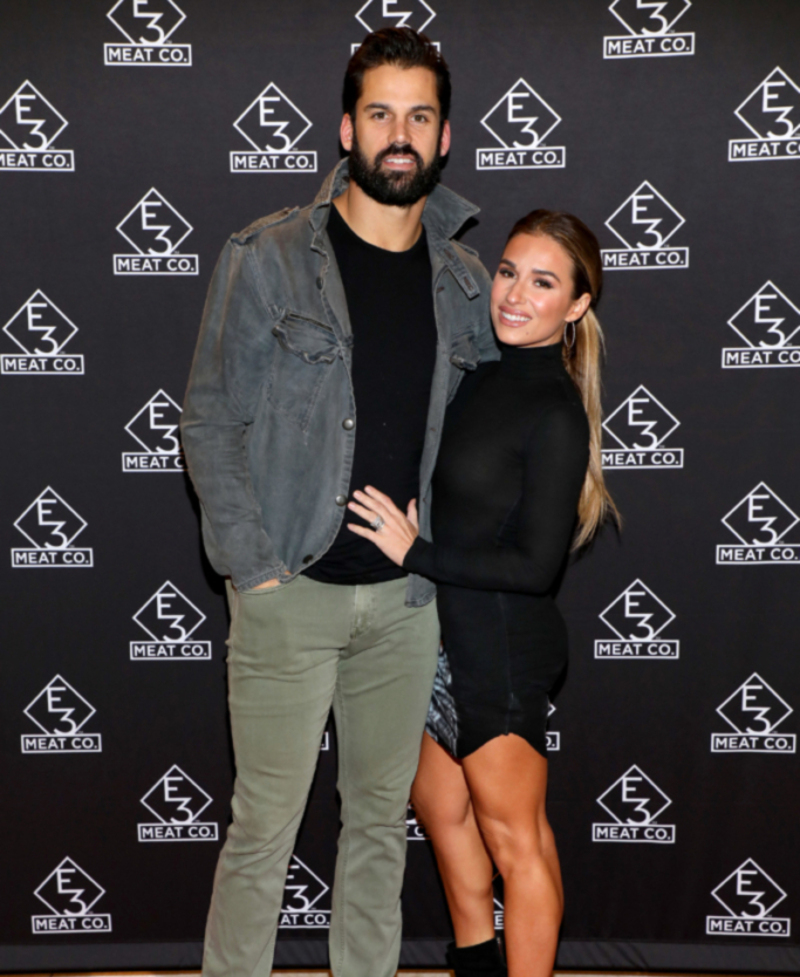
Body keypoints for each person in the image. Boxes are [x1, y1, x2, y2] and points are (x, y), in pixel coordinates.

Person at [180, 27, 497, 977]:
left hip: (406, 605)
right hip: (291, 591)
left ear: (444, 139)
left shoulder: (468, 281)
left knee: (377, 831)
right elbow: (209, 418)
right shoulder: (267, 256)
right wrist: (255, 569)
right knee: (263, 829)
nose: (398, 134)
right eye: (379, 114)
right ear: (346, 130)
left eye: (419, 116)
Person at [347, 210, 617, 977]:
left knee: (516, 842)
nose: (515, 293)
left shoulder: (556, 410)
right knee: (443, 815)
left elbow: (535, 566)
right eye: (507, 272)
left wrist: (417, 550)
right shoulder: (477, 376)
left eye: (543, 282)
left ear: (576, 305)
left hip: (498, 648)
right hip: (432, 636)